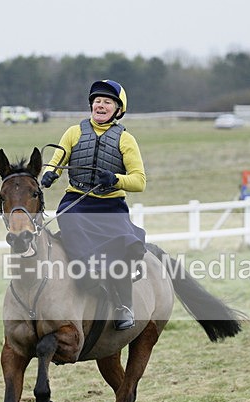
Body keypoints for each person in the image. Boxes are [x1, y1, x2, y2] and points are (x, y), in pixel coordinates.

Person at [40, 79, 147, 331]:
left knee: (122, 246)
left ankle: (124, 307)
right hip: (77, 202)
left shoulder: (126, 140)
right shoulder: (73, 132)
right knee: (68, 220)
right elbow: (57, 160)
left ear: (118, 109)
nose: (100, 105)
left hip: (110, 207)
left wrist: (115, 179)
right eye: (97, 101)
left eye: (107, 102)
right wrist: (50, 174)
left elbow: (139, 181)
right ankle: (84, 278)